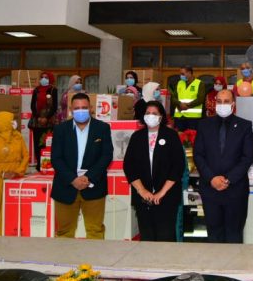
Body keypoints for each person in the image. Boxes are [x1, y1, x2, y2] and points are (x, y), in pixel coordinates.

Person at [193, 90, 253, 243]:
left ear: (233, 104)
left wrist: (228, 179)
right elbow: (198, 155)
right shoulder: (204, 125)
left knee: (234, 235)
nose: (222, 105)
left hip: (235, 190)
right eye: (219, 101)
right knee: (214, 236)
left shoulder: (245, 126)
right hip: (210, 190)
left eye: (226, 101)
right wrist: (212, 178)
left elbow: (247, 157)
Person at [50, 93, 113, 239]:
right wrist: (73, 179)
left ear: (91, 108)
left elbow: (106, 156)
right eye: (77, 108)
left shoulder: (102, 128)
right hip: (66, 186)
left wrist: (88, 177)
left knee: (95, 230)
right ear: (71, 110)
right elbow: (56, 158)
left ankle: (93, 256)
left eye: (84, 107)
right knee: (64, 232)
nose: (81, 111)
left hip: (93, 186)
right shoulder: (60, 129)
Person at [123, 100, 185, 241]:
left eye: (154, 113)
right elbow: (129, 166)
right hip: (143, 198)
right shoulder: (137, 137)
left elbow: (177, 167)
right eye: (148, 113)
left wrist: (161, 193)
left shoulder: (171, 136)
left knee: (165, 237)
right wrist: (142, 191)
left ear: (161, 117)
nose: (150, 116)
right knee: (147, 237)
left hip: (167, 197)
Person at [29, 71, 58, 170]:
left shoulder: (53, 90)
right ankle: (39, 164)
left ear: (50, 79)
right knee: (37, 143)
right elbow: (33, 105)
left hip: (49, 121)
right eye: (42, 77)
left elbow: (54, 106)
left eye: (46, 77)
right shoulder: (36, 90)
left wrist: (46, 117)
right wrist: (38, 117)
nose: (44, 79)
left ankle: (48, 164)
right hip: (37, 121)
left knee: (46, 143)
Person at [172, 65, 205, 131]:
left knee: (192, 136)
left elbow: (200, 99)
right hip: (179, 116)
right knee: (178, 135)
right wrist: (180, 104)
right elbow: (173, 98)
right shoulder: (179, 83)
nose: (181, 76)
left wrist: (187, 105)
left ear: (189, 73)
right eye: (180, 74)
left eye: (182, 74)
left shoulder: (199, 83)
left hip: (193, 118)